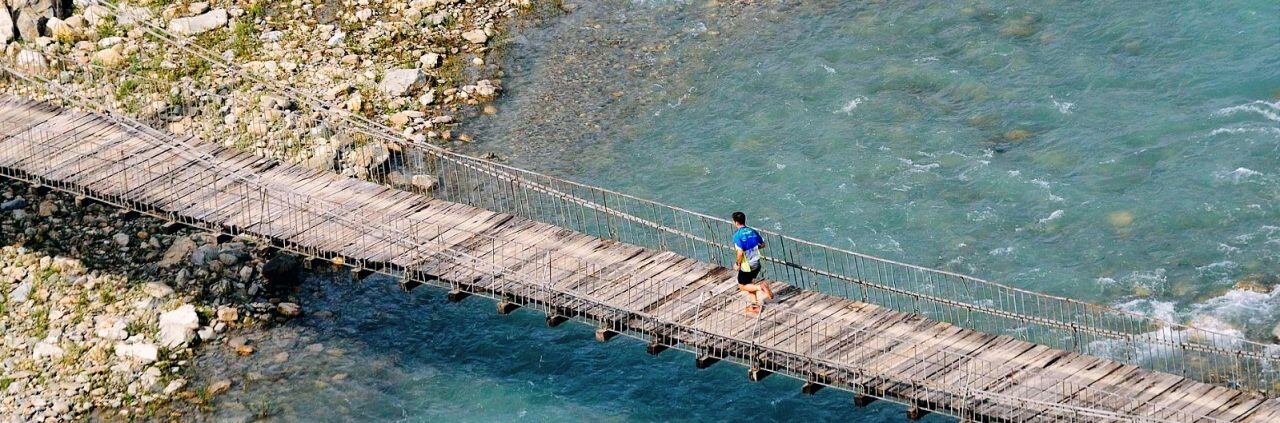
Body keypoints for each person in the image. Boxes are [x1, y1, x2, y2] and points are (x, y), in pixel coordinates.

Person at [732, 211, 772, 314]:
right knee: (749, 284)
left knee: (742, 286)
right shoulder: (752, 231)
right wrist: (753, 249)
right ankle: (755, 307)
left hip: (747, 266)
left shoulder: (737, 236)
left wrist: (737, 264)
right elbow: (763, 245)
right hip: (756, 264)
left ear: (735, 222)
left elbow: (740, 253)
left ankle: (761, 287)